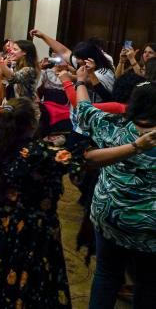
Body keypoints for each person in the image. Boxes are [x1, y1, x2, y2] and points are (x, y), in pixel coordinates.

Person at [0, 97, 77, 309]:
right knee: (22, 279)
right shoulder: (40, 153)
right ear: (31, 124)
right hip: (27, 229)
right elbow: (89, 160)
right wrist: (135, 147)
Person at [70, 70, 156, 308]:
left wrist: (80, 80)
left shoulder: (111, 127)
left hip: (110, 214)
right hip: (149, 226)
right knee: (148, 283)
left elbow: (84, 107)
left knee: (107, 275)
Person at [30, 30, 115, 102]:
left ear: (90, 58)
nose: (76, 61)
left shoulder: (104, 72)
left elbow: (91, 81)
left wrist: (70, 77)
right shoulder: (82, 63)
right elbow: (64, 52)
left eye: (79, 58)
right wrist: (43, 36)